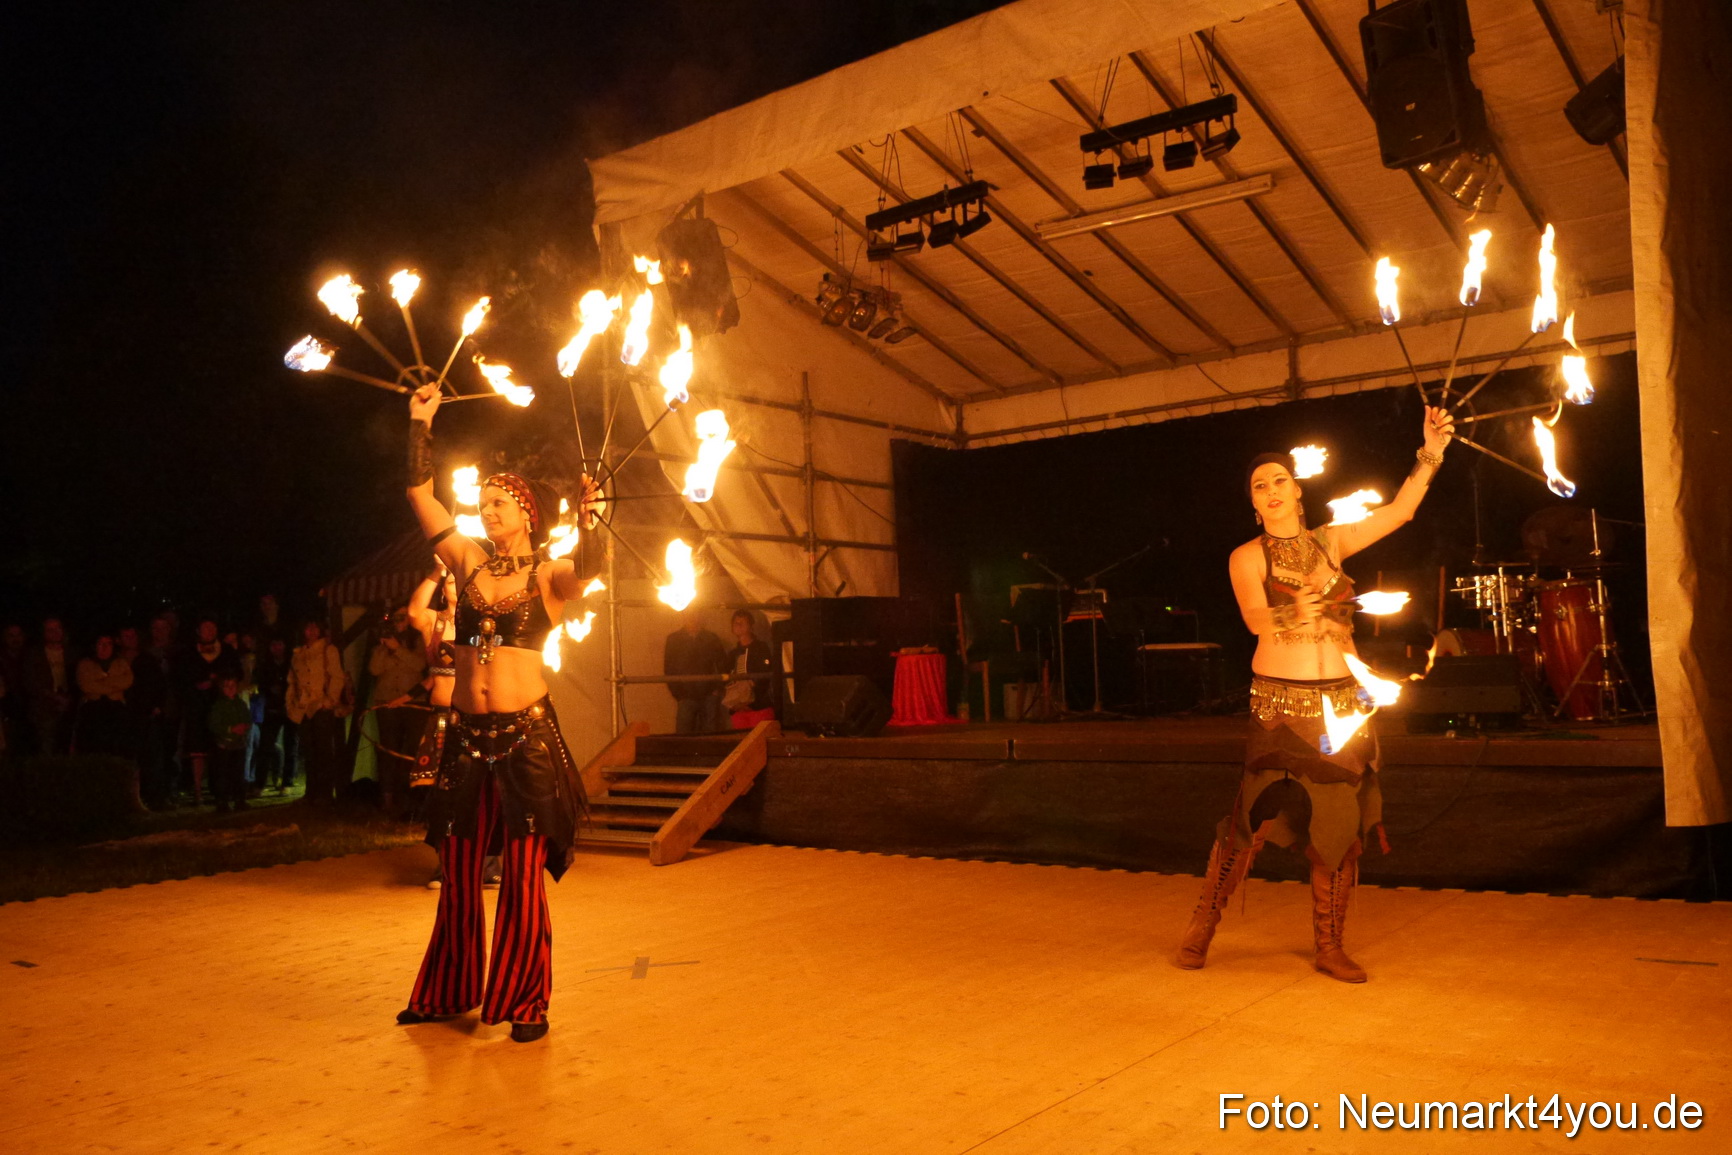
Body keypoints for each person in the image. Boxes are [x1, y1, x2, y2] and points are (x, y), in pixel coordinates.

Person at [1174, 406, 1454, 984]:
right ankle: (1204, 922)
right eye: (1260, 486)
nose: (1271, 490)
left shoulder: (1332, 542)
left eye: (1280, 480)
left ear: (1298, 492)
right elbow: (1254, 619)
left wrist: (1430, 452)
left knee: (1337, 826)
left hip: (1341, 706)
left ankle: (1329, 944)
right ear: (1253, 503)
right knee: (1248, 824)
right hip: (1279, 706)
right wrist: (1293, 607)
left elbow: (1400, 513)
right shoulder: (1246, 557)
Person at [395, 381, 603, 1044]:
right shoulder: (467, 562)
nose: (485, 512)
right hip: (466, 735)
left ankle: (526, 1002)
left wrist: (592, 514)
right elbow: (419, 498)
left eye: (497, 502)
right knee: (457, 867)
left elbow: (590, 570)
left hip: (524, 740)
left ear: (525, 511)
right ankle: (446, 991)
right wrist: (418, 424)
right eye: (481, 503)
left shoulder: (548, 573)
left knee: (520, 876)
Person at [368, 604, 428, 818]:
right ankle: (387, 798)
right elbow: (374, 669)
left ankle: (409, 799)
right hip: (386, 702)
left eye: (402, 617)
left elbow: (420, 665)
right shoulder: (383, 644)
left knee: (410, 752)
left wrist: (398, 649)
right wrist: (386, 648)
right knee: (388, 750)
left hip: (414, 703)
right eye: (395, 618)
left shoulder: (419, 640)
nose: (399, 621)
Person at [287, 619, 350, 805]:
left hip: (321, 706)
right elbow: (292, 682)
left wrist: (329, 700)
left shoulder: (327, 650)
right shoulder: (298, 654)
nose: (312, 630)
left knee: (323, 751)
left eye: (315, 626)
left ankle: (324, 792)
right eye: (308, 626)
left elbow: (337, 676)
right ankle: (311, 791)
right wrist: (291, 705)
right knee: (309, 750)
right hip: (303, 708)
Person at [179, 618, 238, 804]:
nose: (209, 631)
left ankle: (220, 789)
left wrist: (218, 681)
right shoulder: (189, 653)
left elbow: (237, 673)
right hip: (197, 706)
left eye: (213, 627)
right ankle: (197, 791)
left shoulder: (226, 651)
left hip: (220, 706)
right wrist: (197, 685)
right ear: (198, 630)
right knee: (198, 750)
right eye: (205, 627)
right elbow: (181, 677)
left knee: (220, 748)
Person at [664, 608, 727, 734]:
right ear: (683, 616)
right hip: (686, 695)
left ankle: (709, 754)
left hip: (708, 693)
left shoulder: (711, 638)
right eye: (689, 614)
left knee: (711, 736)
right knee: (684, 737)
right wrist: (678, 693)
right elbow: (669, 668)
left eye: (695, 613)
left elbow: (723, 664)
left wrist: (716, 690)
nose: (692, 617)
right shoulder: (674, 639)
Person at [74, 635, 134, 758]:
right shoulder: (85, 664)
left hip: (117, 711)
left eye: (109, 644)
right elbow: (86, 685)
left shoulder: (121, 663)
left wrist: (100, 683)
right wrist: (113, 685)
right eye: (101, 644)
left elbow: (127, 680)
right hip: (92, 712)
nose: (105, 647)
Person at [25, 617, 76, 756]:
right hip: (44, 709)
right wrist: (53, 697)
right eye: (50, 629)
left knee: (67, 747)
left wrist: (68, 699)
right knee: (47, 748)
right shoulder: (34, 654)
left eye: (57, 628)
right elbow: (30, 682)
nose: (55, 632)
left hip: (69, 706)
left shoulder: (72, 653)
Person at [252, 636, 295, 794]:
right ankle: (260, 783)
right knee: (265, 746)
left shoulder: (292, 663)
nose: (277, 648)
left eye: (280, 643)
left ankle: (287, 782)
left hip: (290, 708)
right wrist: (270, 689)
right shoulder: (265, 665)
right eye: (274, 644)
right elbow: (260, 683)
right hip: (272, 709)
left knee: (291, 746)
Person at [207, 675, 253, 813]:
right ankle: (223, 802)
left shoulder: (240, 704)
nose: (230, 689)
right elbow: (213, 724)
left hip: (239, 744)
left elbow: (247, 718)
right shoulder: (218, 705)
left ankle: (240, 800)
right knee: (223, 774)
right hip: (224, 745)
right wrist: (230, 729)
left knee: (238, 773)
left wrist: (244, 727)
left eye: (233, 685)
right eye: (227, 686)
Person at [723, 609, 776, 729]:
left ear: (751, 626)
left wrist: (752, 698)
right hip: (738, 709)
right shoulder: (733, 654)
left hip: (759, 706)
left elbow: (765, 674)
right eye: (736, 623)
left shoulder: (761, 648)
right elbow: (727, 677)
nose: (739, 625)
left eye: (743, 622)